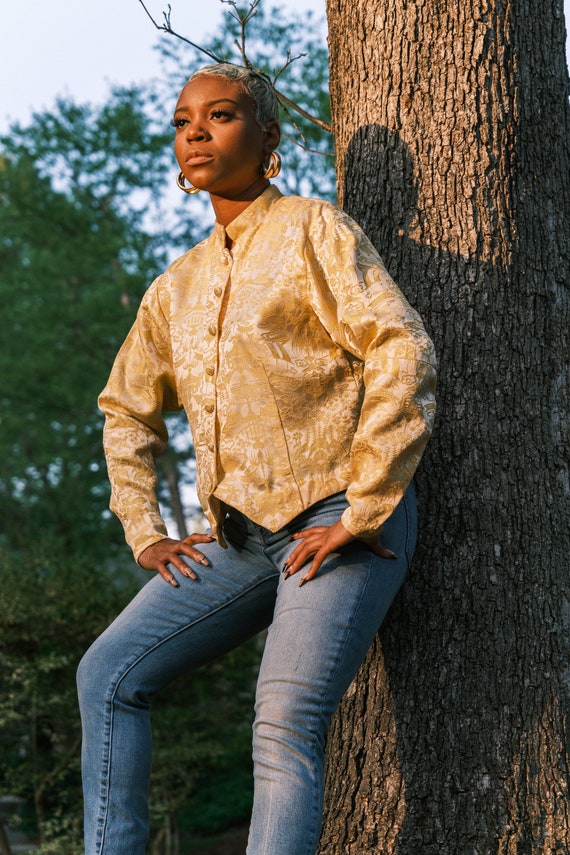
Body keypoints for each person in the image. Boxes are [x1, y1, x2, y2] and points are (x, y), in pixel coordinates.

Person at [77, 62, 437, 855]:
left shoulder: (317, 230)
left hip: (340, 518)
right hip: (237, 539)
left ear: (267, 138)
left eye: (221, 115)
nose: (196, 131)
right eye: (182, 121)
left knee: (281, 722)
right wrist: (146, 527)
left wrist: (367, 503)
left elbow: (401, 351)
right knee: (107, 676)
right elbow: (124, 409)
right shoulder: (174, 288)